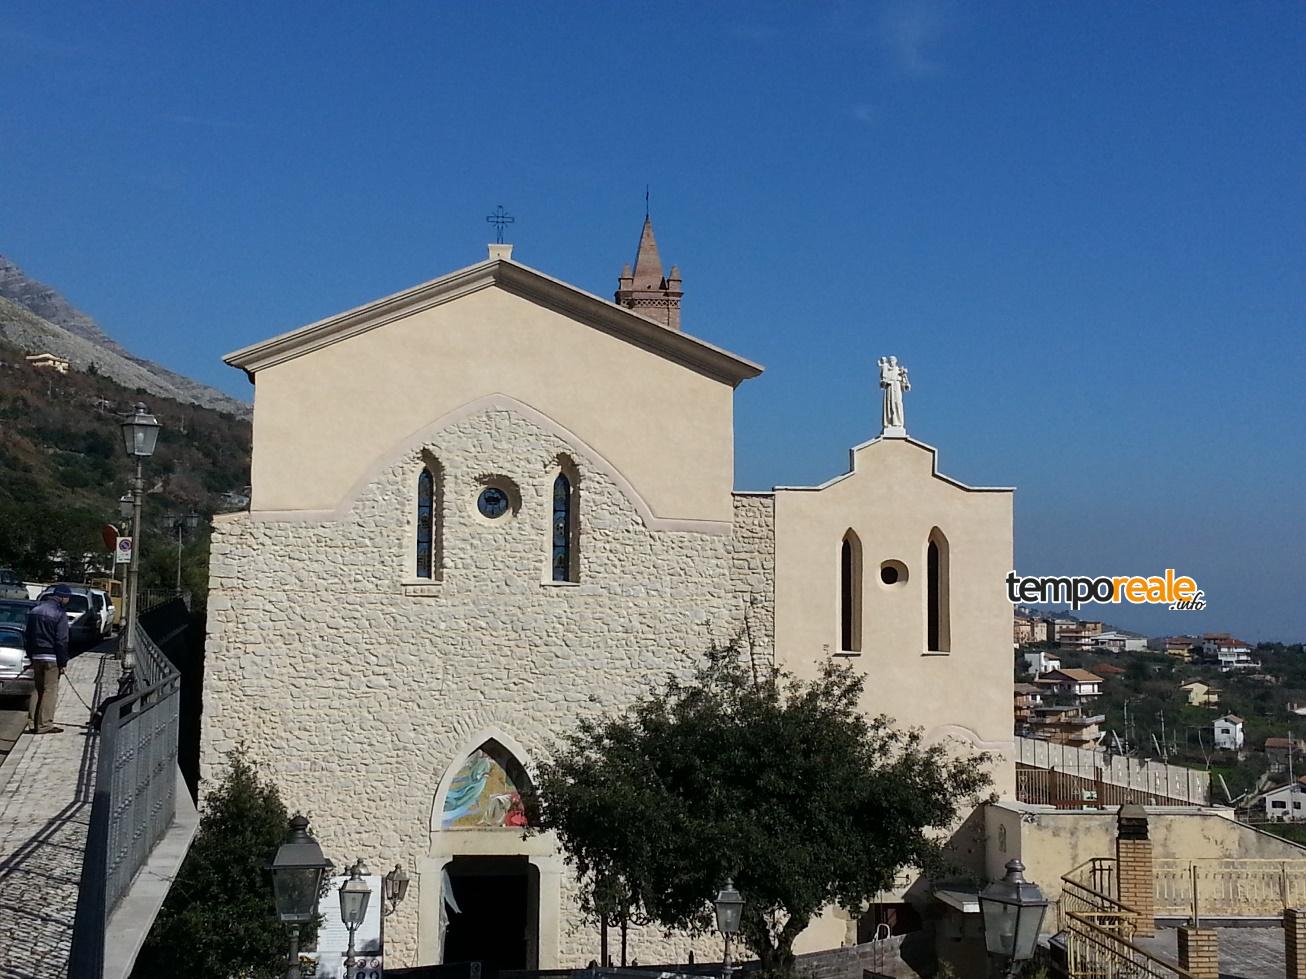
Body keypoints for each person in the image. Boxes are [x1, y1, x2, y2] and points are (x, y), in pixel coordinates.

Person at [25, 584, 71, 734]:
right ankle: (44, 724)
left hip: (37, 655)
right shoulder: (59, 613)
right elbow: (61, 640)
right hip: (52, 657)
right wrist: (62, 662)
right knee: (50, 690)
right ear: (62, 597)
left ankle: (32, 723)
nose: (68, 600)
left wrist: (31, 655)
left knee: (37, 689)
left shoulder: (35, 611)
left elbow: (28, 636)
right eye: (68, 597)